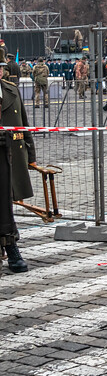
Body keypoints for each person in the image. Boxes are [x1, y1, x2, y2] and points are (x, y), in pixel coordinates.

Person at [0, 61, 34, 272]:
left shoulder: (11, 90)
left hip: (9, 154)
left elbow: (24, 123)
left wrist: (31, 155)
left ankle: (11, 247)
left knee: (5, 205)